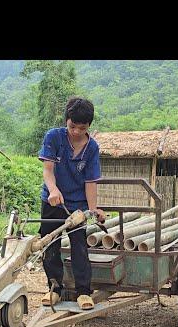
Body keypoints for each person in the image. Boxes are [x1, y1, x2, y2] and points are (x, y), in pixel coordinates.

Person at [37, 96, 106, 310]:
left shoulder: (92, 147)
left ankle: (84, 292)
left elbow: (90, 182)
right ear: (66, 120)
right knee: (50, 245)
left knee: (79, 247)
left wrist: (92, 210)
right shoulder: (54, 137)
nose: (75, 131)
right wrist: (54, 190)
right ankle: (54, 288)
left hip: (78, 206)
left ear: (89, 126)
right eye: (72, 126)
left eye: (81, 128)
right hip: (52, 201)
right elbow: (48, 170)